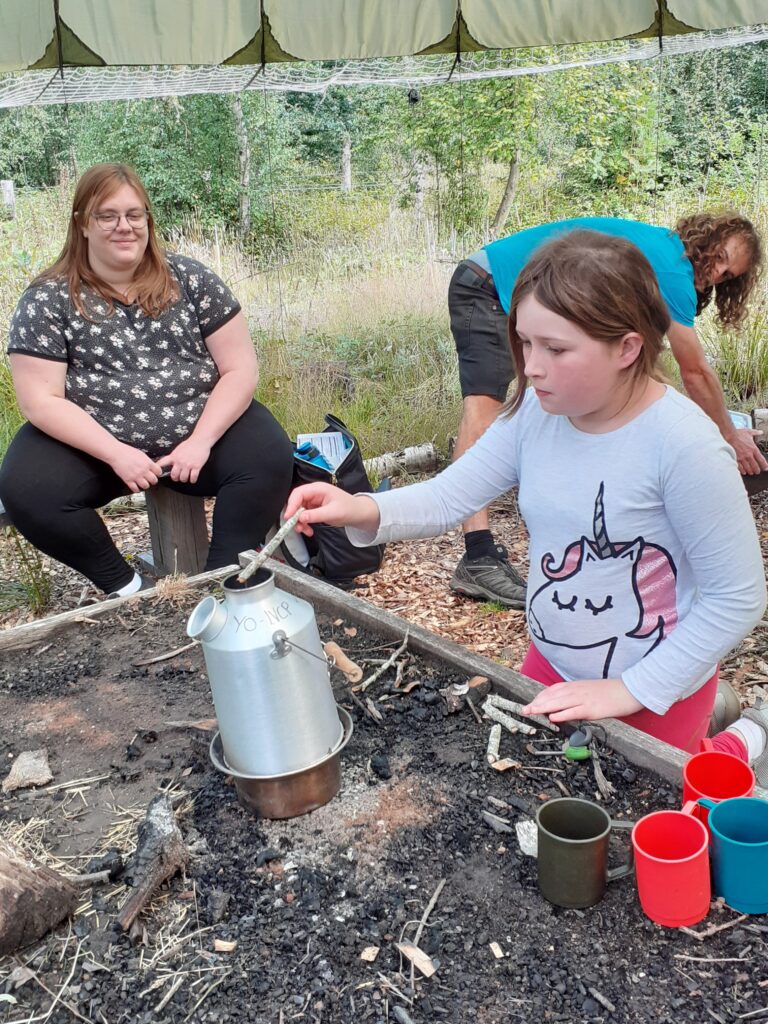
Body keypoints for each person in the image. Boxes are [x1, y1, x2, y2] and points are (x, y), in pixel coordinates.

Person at [284, 230, 768, 780]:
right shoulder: (537, 414)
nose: (531, 368)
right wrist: (356, 508)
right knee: (549, 792)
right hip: (550, 660)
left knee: (656, 807)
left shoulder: (684, 445)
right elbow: (449, 495)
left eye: (556, 350)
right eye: (526, 343)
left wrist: (631, 690)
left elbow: (738, 597)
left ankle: (741, 734)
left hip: (656, 683)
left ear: (628, 348)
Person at [0, 163, 294, 597]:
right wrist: (116, 452)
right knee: (27, 487)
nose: (125, 227)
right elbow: (41, 401)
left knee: (268, 454)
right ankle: (125, 587)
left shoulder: (192, 279)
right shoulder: (47, 297)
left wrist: (202, 440)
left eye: (135, 215)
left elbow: (239, 369)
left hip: (197, 432)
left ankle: (221, 580)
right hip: (97, 442)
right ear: (82, 223)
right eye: (108, 215)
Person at [448, 213, 764, 608]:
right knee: (483, 410)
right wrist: (729, 436)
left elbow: (642, 373)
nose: (716, 274)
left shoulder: (658, 259)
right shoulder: (673, 269)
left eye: (727, 274)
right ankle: (478, 556)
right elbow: (695, 370)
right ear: (705, 239)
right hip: (490, 283)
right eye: (718, 258)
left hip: (521, 289)